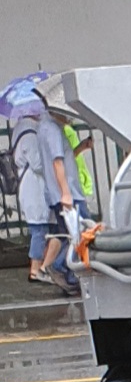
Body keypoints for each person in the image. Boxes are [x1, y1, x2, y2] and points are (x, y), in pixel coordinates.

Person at [31, 102, 82, 295]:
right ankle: (60, 266)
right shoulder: (51, 129)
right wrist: (66, 193)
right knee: (79, 235)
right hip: (67, 194)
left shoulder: (46, 127)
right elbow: (58, 162)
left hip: (60, 192)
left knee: (69, 234)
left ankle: (65, 273)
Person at [9, 113, 54, 286]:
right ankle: (36, 269)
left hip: (28, 184)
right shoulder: (30, 133)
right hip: (33, 185)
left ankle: (42, 266)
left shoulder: (19, 128)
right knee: (39, 228)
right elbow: (37, 164)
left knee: (39, 227)